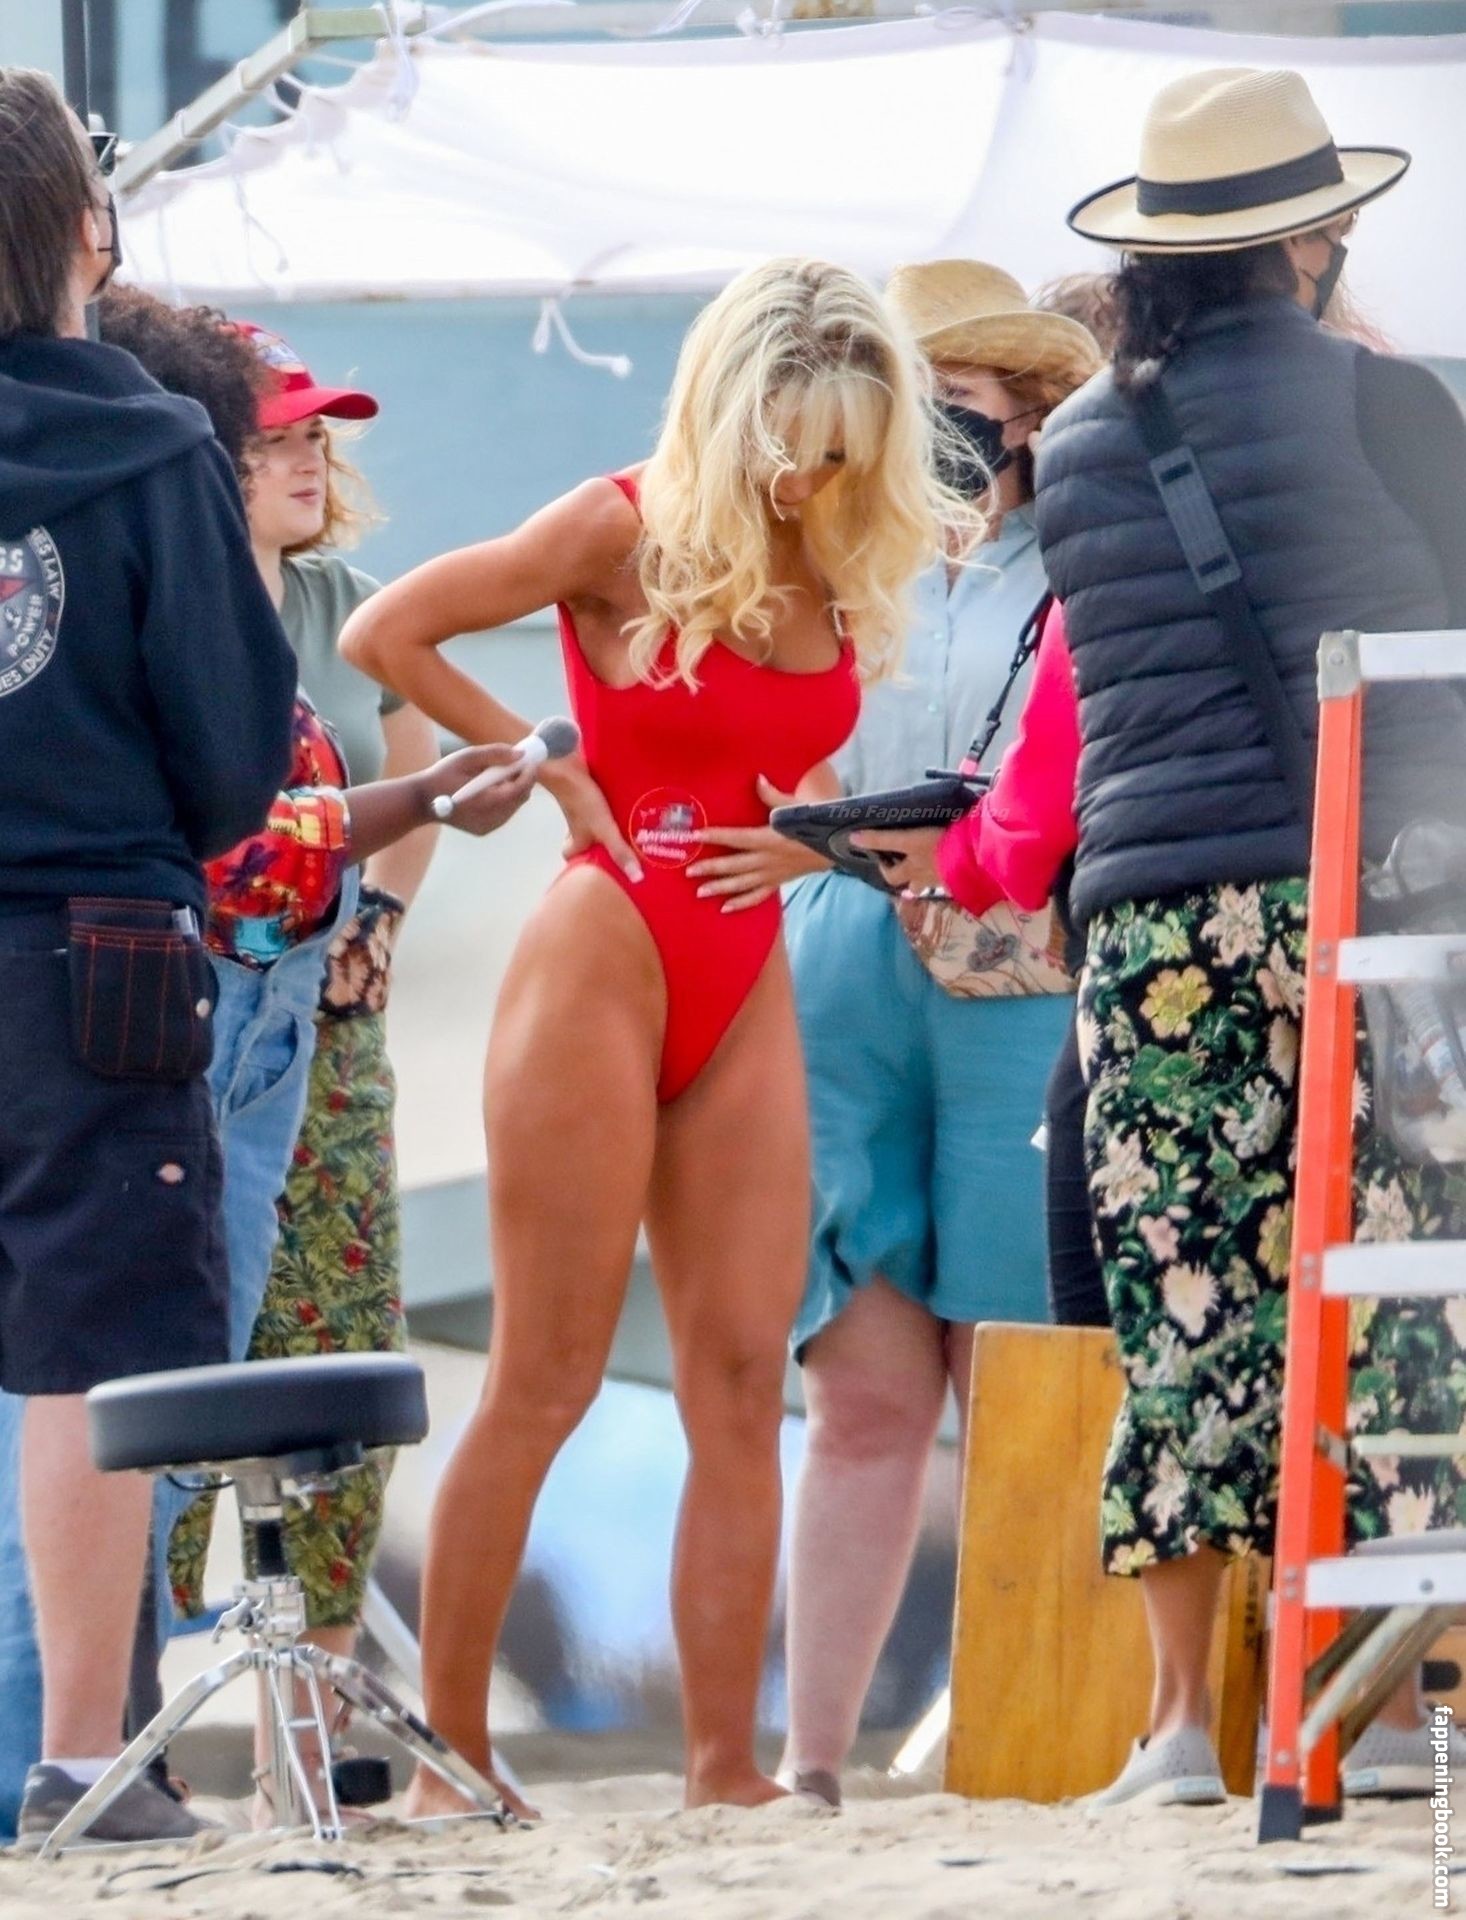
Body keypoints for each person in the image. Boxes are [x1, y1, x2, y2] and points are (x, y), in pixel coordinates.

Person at [340, 257, 972, 1815]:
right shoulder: (616, 523)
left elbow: (810, 780)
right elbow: (388, 633)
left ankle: (721, 1768)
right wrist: (543, 764)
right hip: (603, 947)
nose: (806, 475)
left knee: (745, 1378)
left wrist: (811, 846)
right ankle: (451, 1760)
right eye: (788, 442)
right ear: (727, 405)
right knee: (545, 1376)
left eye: (840, 448)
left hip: (741, 966)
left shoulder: (841, 548)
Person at [0, 292, 537, 1843]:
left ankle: (102, 1749)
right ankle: (77, 1754)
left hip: (227, 998)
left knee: (148, 1388)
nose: (297, 459)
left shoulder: (286, 587)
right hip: (165, 990)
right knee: (115, 1387)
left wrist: (403, 815)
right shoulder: (145, 489)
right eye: (264, 438)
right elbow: (240, 815)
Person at [1031, 65, 1466, 1803]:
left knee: (1187, 1296)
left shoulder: (1075, 443)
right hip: (1376, 901)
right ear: (1308, 236)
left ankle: (1176, 1734)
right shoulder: (1384, 399)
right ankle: (1405, 1709)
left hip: (1154, 923)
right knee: (1401, 1282)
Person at [689, 260, 1099, 1805]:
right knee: (856, 1395)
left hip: (1017, 965)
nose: (928, 439)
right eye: (903, 407)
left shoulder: (1088, 556)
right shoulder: (810, 552)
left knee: (1018, 1380)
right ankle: (811, 1761)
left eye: (961, 407)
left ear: (1030, 415)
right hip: (839, 969)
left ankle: (1031, 1738)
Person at [0, 68, 297, 1845]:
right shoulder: (148, 441)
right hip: (92, 951)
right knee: (90, 1353)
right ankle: (79, 1760)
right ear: (78, 229)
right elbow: (234, 751)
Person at [156, 317, 447, 1823]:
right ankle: (133, 1713)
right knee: (169, 1347)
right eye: (273, 440)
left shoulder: (351, 605)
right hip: (193, 1005)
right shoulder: (169, 594)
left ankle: (304, 1737)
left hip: (329, 1016)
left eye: (316, 436)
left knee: (334, 1335)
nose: (306, 461)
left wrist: (379, 918)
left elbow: (415, 774)